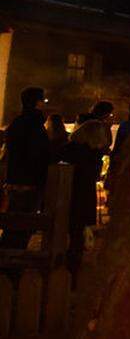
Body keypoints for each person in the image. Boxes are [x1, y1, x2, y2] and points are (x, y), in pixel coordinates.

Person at [1, 87, 53, 249]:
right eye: (42, 100)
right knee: (23, 222)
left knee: (14, 220)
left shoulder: (18, 122)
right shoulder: (34, 124)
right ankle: (11, 261)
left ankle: (8, 257)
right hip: (30, 180)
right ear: (37, 102)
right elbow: (37, 153)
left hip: (15, 177)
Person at [58, 118, 109, 279]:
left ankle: (60, 266)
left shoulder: (68, 150)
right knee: (76, 237)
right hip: (81, 198)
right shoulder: (91, 155)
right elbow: (91, 176)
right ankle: (71, 273)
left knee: (60, 233)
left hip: (64, 196)